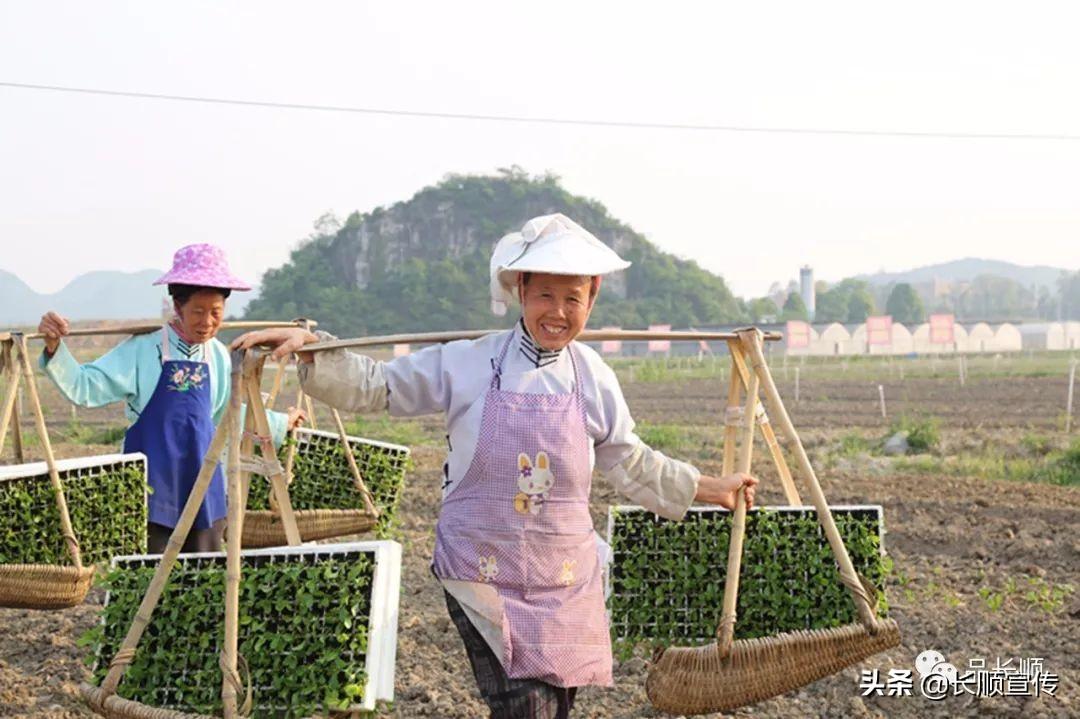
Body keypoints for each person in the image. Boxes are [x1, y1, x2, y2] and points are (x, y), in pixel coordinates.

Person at [232, 214, 757, 719]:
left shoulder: (592, 377)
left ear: (592, 298)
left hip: (565, 574)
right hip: (481, 567)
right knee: (525, 708)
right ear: (521, 292)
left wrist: (712, 488)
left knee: (557, 706)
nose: (558, 311)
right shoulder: (469, 361)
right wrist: (314, 351)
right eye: (544, 295)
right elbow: (381, 385)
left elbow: (626, 457)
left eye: (572, 298)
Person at [37, 243, 304, 554]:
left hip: (203, 483)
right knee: (149, 574)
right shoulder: (142, 349)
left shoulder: (218, 354)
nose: (207, 322)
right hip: (152, 486)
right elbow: (86, 385)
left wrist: (280, 422)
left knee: (203, 578)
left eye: (216, 312)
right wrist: (55, 348)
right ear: (177, 307)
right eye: (198, 312)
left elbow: (228, 415)